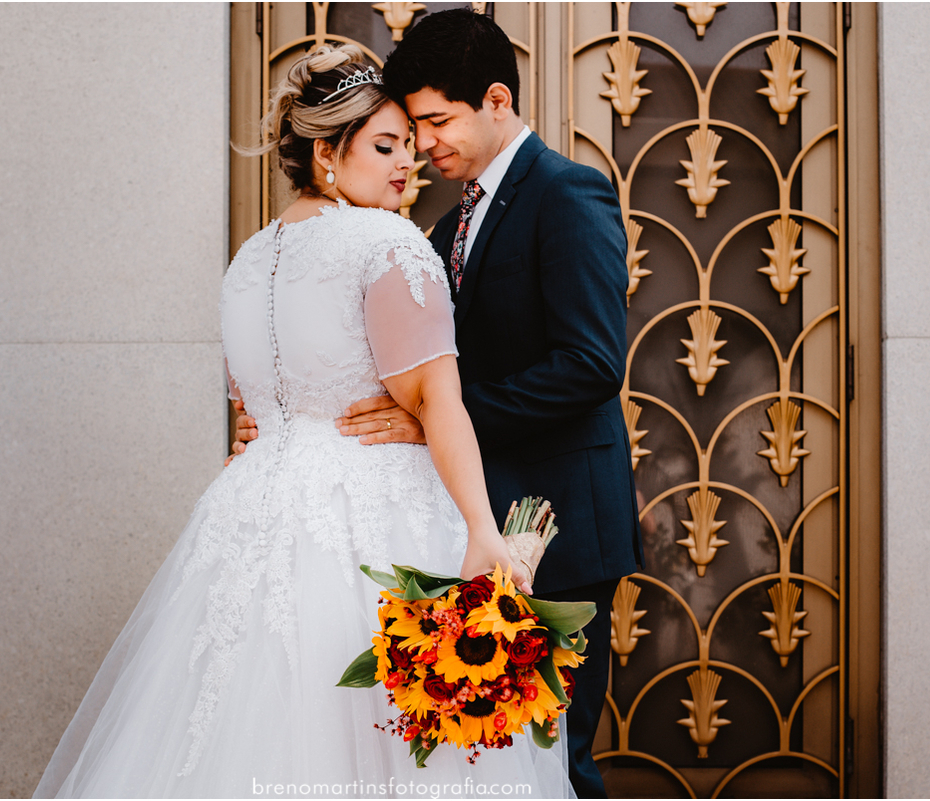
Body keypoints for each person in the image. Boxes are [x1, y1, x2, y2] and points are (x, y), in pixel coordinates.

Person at [34, 44, 571, 798]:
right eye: (384, 147)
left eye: (409, 150)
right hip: (367, 515)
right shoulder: (385, 242)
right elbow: (437, 402)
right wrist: (484, 532)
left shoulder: (248, 262)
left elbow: (253, 413)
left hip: (249, 518)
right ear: (326, 151)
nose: (404, 168)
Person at [232, 10, 644, 799]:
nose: (421, 144)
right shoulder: (443, 222)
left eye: (434, 121)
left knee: (557, 757)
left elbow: (591, 363)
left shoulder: (567, 193)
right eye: (408, 128)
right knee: (487, 758)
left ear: (495, 100)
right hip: (463, 522)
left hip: (555, 520)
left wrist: (431, 419)